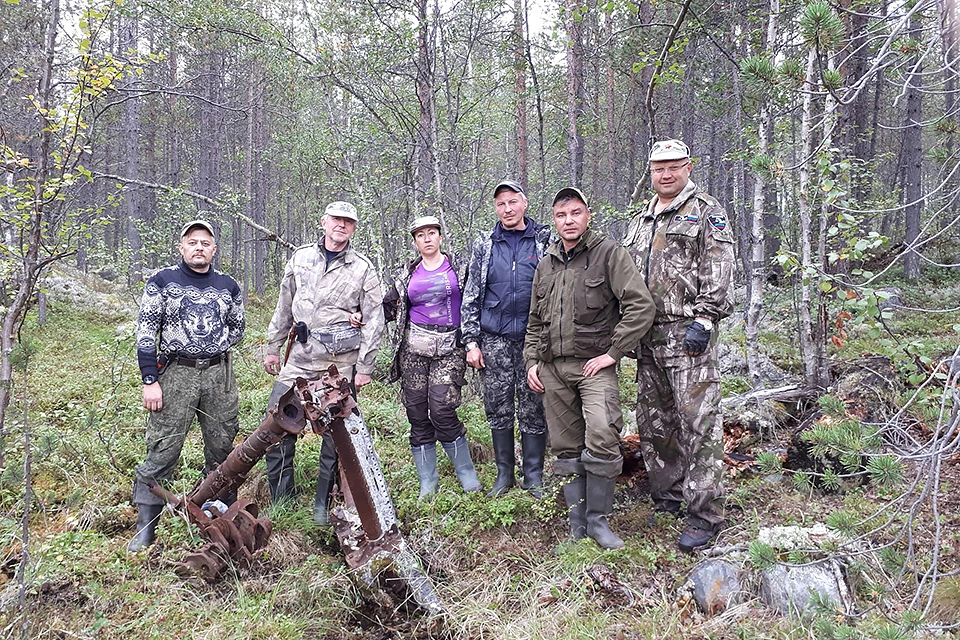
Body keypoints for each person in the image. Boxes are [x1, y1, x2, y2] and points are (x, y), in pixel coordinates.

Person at [524, 188, 655, 550]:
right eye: (562, 215)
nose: (569, 221)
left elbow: (640, 305)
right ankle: (577, 525)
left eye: (576, 213)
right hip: (553, 369)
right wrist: (532, 361)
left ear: (588, 215)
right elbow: (535, 321)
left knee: (602, 433)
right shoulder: (546, 264)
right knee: (566, 447)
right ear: (554, 219)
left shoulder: (609, 254)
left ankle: (599, 522)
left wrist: (615, 352)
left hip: (594, 367)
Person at [622, 139, 735, 553]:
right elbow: (628, 277)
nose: (665, 174)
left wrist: (705, 319)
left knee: (699, 422)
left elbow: (719, 267)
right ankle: (668, 497)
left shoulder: (707, 212)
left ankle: (705, 514)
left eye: (673, 167)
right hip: (648, 336)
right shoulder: (641, 219)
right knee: (655, 423)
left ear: (688, 167)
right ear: (650, 172)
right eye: (658, 168)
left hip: (688, 333)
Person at [262, 201, 385, 525]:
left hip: (339, 365)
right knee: (275, 427)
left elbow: (374, 319)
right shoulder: (301, 258)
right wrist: (273, 348)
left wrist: (365, 367)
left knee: (336, 440)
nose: (341, 226)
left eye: (348, 222)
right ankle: (282, 502)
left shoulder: (362, 267)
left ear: (354, 228)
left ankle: (322, 507)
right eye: (336, 220)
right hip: (299, 360)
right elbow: (283, 305)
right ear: (324, 222)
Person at [129, 220, 245, 552]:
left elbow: (237, 329)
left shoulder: (228, 285)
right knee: (163, 449)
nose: (198, 247)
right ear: (181, 248)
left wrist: (212, 346)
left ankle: (220, 515)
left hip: (218, 375)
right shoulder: (162, 281)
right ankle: (145, 528)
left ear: (214, 249)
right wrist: (150, 379)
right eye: (192, 242)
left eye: (205, 243)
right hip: (175, 374)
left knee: (223, 447)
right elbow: (146, 332)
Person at [461, 180, 553, 499]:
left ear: (524, 203)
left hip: (533, 340)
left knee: (533, 407)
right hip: (494, 340)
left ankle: (534, 475)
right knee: (497, 407)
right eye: (501, 204)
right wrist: (471, 342)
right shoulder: (485, 244)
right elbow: (471, 294)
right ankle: (504, 474)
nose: (507, 209)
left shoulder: (544, 240)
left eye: (513, 202)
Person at [383, 215, 482, 499]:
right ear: (415, 241)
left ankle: (467, 475)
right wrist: (359, 315)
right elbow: (388, 307)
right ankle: (428, 483)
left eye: (431, 233)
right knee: (416, 414)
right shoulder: (406, 274)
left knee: (442, 409)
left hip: (450, 348)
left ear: (440, 236)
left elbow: (475, 302)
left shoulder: (459, 269)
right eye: (420, 235)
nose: (427, 239)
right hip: (414, 349)